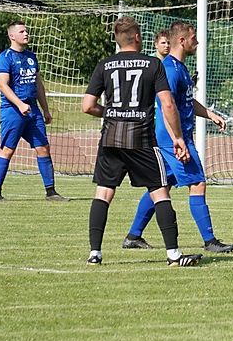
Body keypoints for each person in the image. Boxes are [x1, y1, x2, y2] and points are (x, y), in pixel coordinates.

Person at [81, 16, 202, 266]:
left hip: (111, 138)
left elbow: (87, 106)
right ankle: (173, 255)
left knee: (103, 193)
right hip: (142, 140)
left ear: (117, 39)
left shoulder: (105, 65)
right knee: (160, 192)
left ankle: (95, 253)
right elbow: (168, 104)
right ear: (137, 37)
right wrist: (178, 138)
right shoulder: (152, 64)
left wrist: (112, 112)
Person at [122, 21, 233, 253]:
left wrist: (210, 114)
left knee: (161, 185)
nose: (197, 42)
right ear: (182, 41)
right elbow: (167, 106)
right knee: (198, 183)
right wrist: (177, 139)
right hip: (173, 139)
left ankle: (133, 236)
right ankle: (210, 241)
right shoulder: (170, 70)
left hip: (170, 139)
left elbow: (186, 102)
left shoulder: (179, 68)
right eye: (194, 38)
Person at [0, 20, 67, 201]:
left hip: (32, 110)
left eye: (26, 31)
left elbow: (38, 84)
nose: (26, 34)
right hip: (13, 111)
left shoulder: (31, 56)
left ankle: (51, 192)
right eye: (22, 31)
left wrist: (45, 109)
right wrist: (19, 104)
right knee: (8, 150)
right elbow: (3, 85)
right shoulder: (5, 57)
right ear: (12, 36)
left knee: (43, 148)